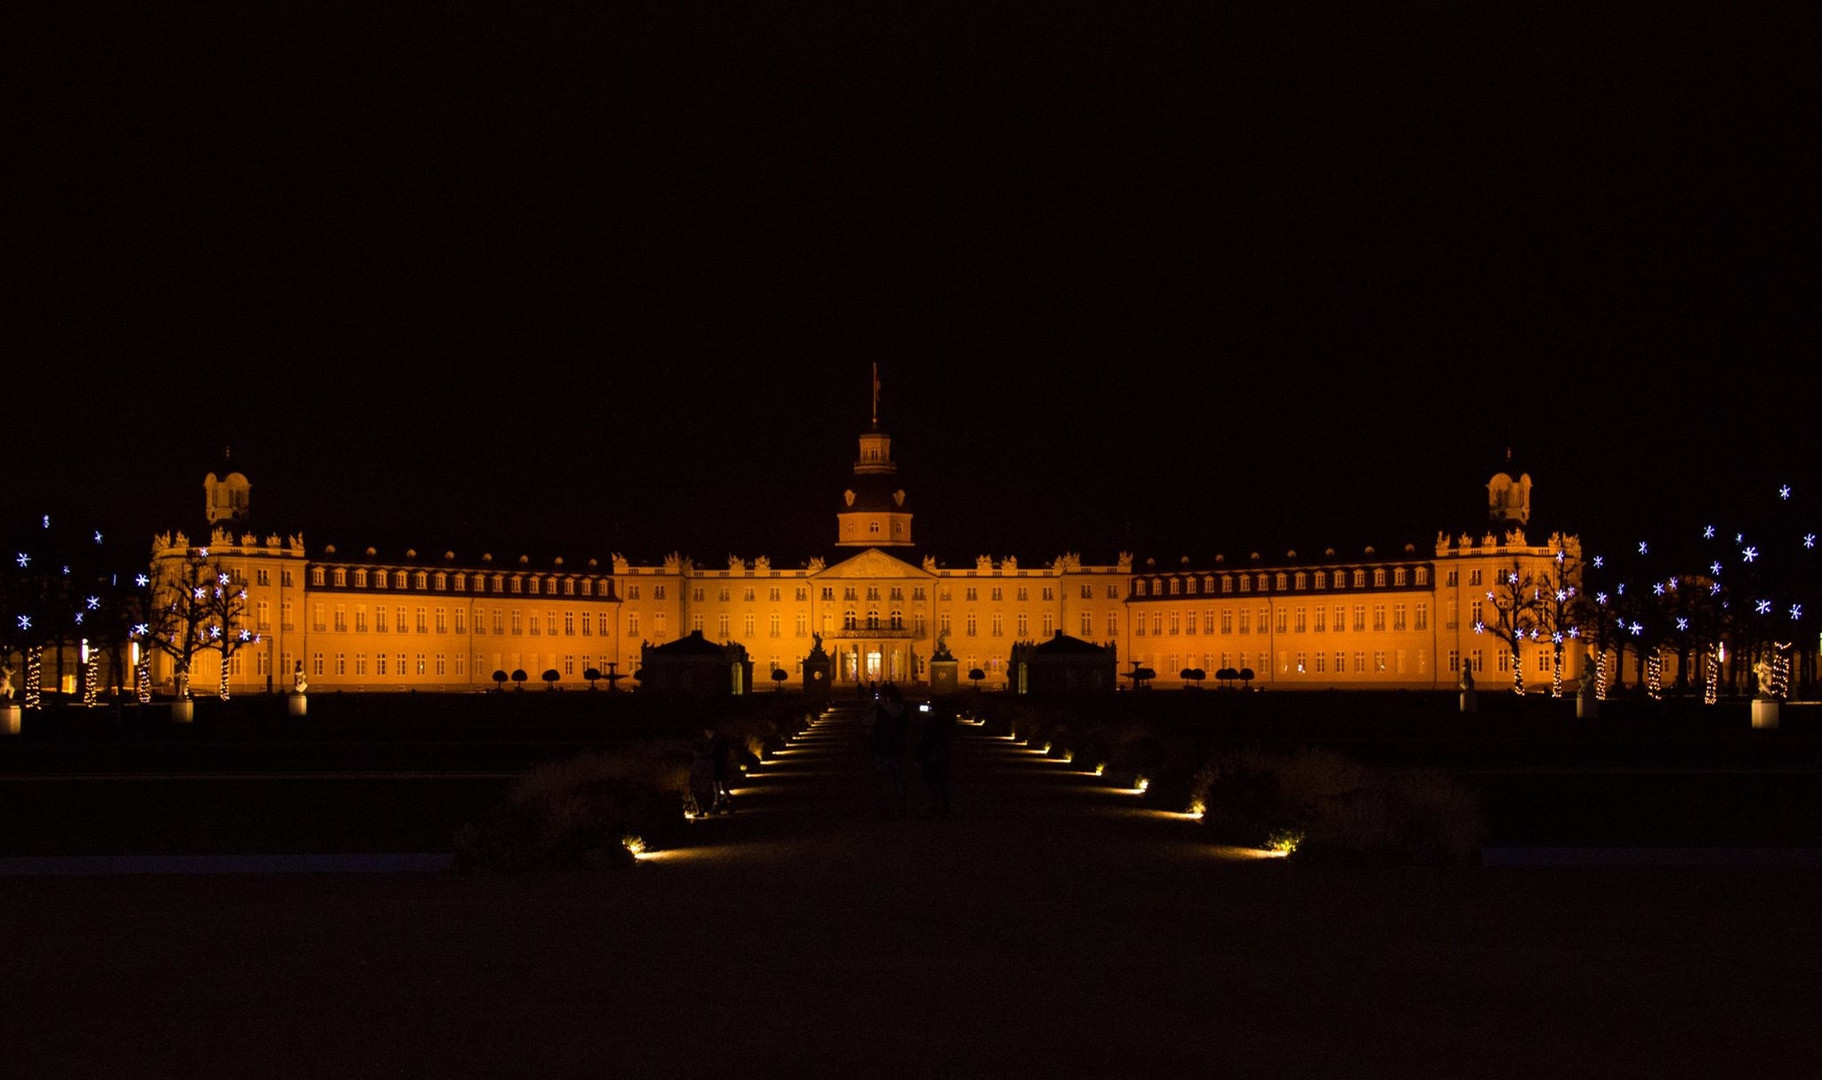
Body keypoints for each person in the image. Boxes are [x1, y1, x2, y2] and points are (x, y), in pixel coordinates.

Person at [869, 682, 909, 818]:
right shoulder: (903, 709)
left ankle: (885, 809)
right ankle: (901, 808)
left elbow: (865, 722)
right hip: (898, 748)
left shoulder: (879, 710)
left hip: (883, 749)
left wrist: (873, 705)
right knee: (899, 780)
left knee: (883, 780)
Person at [915, 699, 956, 818]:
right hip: (943, 754)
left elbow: (924, 740)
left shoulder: (930, 722)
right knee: (943, 783)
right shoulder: (948, 722)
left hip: (932, 755)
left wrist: (918, 756)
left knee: (933, 783)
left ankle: (935, 807)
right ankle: (946, 809)